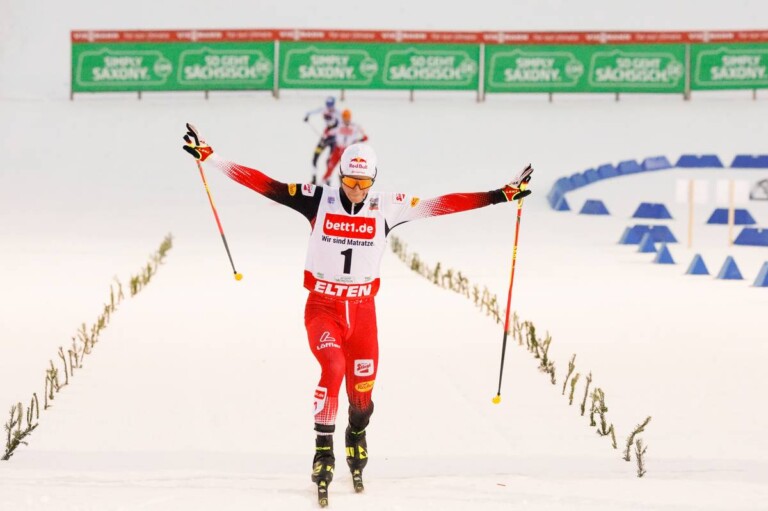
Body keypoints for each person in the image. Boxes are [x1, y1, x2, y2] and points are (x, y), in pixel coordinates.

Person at [181, 123, 533, 503]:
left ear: (373, 180)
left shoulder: (388, 206)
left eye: (364, 183)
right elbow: (266, 184)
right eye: (350, 181)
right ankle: (323, 451)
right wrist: (211, 157)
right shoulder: (318, 200)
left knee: (362, 399)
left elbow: (443, 204)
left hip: (363, 315)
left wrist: (500, 195)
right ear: (341, 176)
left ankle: (357, 432)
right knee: (332, 367)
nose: (356, 189)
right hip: (323, 309)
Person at [317, 108, 368, 186]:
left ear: (350, 118)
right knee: (330, 168)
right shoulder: (339, 126)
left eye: (347, 118)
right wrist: (325, 136)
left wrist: (362, 138)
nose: (346, 120)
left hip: (347, 152)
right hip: (337, 150)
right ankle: (320, 185)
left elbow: (364, 135)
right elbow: (330, 132)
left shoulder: (354, 127)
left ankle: (344, 187)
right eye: (344, 118)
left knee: (345, 171)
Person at [304, 96, 340, 184]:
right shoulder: (324, 109)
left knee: (329, 161)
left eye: (331, 105)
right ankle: (314, 179)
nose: (329, 107)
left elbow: (341, 127)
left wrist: (330, 132)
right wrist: (307, 115)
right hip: (324, 139)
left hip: (334, 140)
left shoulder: (338, 113)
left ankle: (328, 182)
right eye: (328, 105)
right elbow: (312, 112)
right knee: (315, 157)